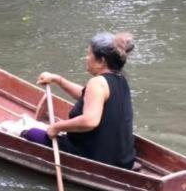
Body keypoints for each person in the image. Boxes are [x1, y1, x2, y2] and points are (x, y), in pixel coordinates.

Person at [31, 32, 137, 169]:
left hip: (96, 160)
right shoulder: (120, 79)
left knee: (31, 133)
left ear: (102, 60)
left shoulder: (97, 82)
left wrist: (56, 127)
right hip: (124, 160)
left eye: (89, 54)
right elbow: (87, 96)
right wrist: (58, 80)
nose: (86, 58)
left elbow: (90, 121)